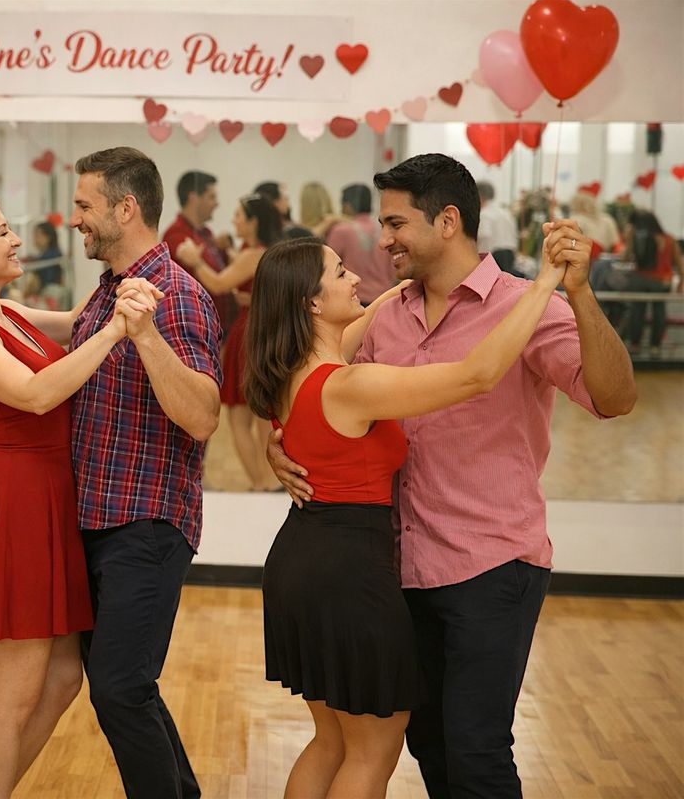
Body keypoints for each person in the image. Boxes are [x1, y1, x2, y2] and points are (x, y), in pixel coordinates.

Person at [268, 153, 637, 799]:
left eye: (395, 224)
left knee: (476, 752)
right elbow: (309, 385)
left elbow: (615, 398)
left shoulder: (526, 307)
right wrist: (283, 444)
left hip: (489, 565)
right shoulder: (385, 316)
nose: (383, 240)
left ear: (446, 221)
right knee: (431, 746)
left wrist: (577, 293)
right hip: (398, 568)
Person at [245, 230, 572, 797]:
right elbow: (477, 375)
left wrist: (413, 281)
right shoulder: (352, 385)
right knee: (372, 748)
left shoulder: (287, 377)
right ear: (311, 303)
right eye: (340, 271)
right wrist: (545, 283)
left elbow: (368, 313)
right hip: (348, 575)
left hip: (300, 562)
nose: (355, 276)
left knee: (331, 741)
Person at [0, 147, 223, 797]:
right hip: (92, 520)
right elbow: (66, 384)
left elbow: (202, 416)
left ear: (125, 209)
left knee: (119, 688)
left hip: (146, 522)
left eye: (84, 205)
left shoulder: (177, 296)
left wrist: (146, 336)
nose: (74, 217)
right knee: (124, 688)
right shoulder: (107, 292)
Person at [0, 192, 155, 797]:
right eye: (3, 231)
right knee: (11, 698)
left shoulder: (10, 314)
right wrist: (117, 331)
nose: (17, 240)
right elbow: (36, 394)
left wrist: (130, 274)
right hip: (17, 508)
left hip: (51, 500)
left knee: (65, 678)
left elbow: (78, 320)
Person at [190, 193, 282, 491]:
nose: (234, 220)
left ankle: (262, 482)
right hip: (256, 330)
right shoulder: (256, 252)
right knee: (259, 413)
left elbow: (219, 283)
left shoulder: (253, 254)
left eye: (239, 216)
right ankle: (266, 482)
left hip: (248, 333)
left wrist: (195, 261)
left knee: (244, 416)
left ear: (253, 222)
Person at [165, 169, 237, 336]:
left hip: (219, 329)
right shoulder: (175, 236)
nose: (216, 203)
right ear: (193, 198)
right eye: (211, 197)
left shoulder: (207, 233)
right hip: (198, 332)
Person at [607, 208, 684, 356]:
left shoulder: (636, 236)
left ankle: (635, 344)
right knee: (659, 311)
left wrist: (628, 239)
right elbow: (679, 264)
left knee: (637, 311)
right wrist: (681, 282)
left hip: (640, 280)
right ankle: (655, 346)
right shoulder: (669, 239)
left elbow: (626, 257)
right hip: (662, 282)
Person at [325, 183, 395, 304]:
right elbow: (394, 269)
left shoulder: (341, 230)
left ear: (347, 205)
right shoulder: (385, 229)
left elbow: (327, 268)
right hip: (385, 299)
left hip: (353, 300)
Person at [476, 180, 521, 277]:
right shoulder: (506, 212)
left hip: (495, 255)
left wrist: (480, 259)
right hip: (510, 253)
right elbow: (514, 234)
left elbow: (484, 236)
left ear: (479, 195)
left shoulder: (484, 214)